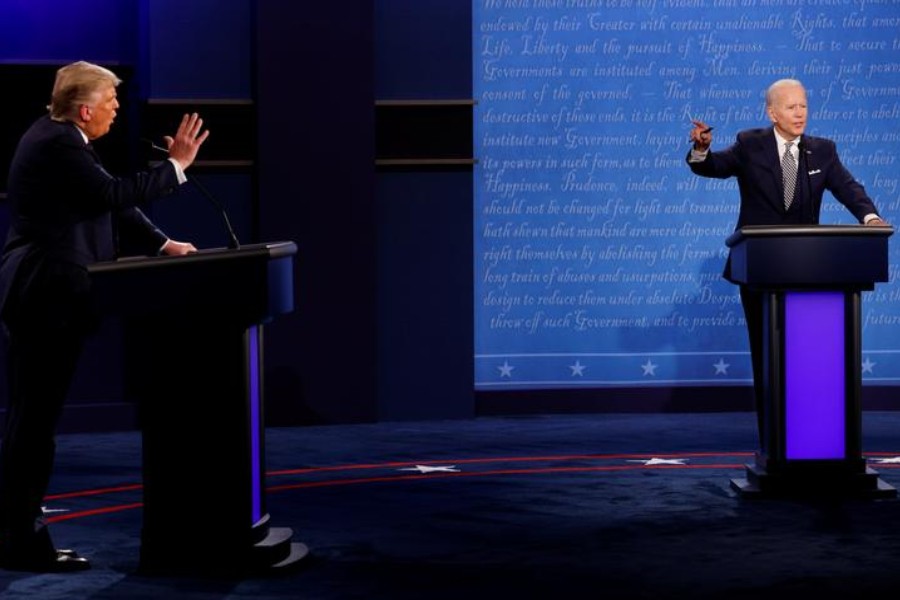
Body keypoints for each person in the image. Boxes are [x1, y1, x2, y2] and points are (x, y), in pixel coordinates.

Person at [0, 61, 209, 572]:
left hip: (45, 292)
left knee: (34, 420)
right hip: (43, 293)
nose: (117, 109)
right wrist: (176, 166)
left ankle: (15, 532)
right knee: (33, 423)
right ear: (85, 107)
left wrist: (163, 244)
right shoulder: (58, 143)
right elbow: (111, 195)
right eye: (111, 101)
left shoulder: (63, 139)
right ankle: (19, 540)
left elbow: (107, 203)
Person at [686, 78, 887, 445]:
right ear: (772, 112)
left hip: (810, 272)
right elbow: (712, 166)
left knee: (809, 365)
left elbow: (847, 187)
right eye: (791, 107)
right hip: (759, 270)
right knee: (770, 360)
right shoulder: (750, 144)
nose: (799, 113)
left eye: (804, 106)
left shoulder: (822, 151)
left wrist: (869, 217)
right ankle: (774, 446)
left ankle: (813, 443)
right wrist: (701, 149)